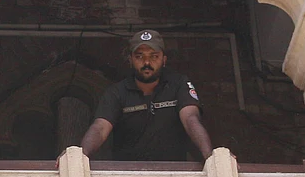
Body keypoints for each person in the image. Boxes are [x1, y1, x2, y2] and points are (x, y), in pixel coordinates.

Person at [79, 29, 214, 162]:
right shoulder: (117, 92)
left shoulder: (179, 84)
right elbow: (101, 127)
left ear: (164, 59)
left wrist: (211, 158)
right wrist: (80, 156)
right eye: (139, 56)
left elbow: (190, 119)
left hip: (173, 172)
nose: (147, 63)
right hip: (127, 174)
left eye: (154, 56)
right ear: (130, 60)